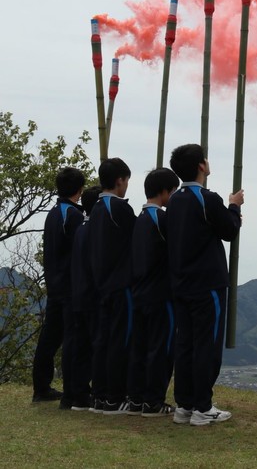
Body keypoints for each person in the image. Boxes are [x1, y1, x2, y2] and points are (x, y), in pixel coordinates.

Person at [167, 144, 243, 426]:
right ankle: (203, 407)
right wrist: (234, 205)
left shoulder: (174, 200)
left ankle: (184, 405)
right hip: (207, 285)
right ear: (201, 166)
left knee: (185, 344)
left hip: (181, 284)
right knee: (207, 346)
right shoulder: (206, 198)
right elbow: (229, 230)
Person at [128, 168, 180, 417]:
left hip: (139, 293)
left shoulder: (139, 219)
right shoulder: (161, 219)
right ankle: (154, 401)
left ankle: (137, 398)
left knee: (140, 347)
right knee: (162, 348)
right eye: (173, 192)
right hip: (161, 295)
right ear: (164, 192)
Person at [33, 167, 85, 404]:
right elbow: (79, 250)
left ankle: (41, 387)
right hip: (69, 286)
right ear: (80, 189)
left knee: (50, 338)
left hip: (53, 283)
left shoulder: (54, 212)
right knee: (72, 338)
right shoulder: (72, 215)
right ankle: (73, 390)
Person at [89, 157, 135, 415]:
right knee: (121, 340)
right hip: (122, 285)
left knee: (103, 339)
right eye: (127, 180)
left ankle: (100, 395)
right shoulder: (119, 208)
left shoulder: (96, 208)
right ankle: (117, 396)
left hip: (101, 285)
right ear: (120, 180)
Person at [68, 185, 102, 411]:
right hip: (92, 296)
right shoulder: (94, 231)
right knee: (95, 345)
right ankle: (91, 392)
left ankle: (79, 392)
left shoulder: (81, 228)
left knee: (82, 347)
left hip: (78, 293)